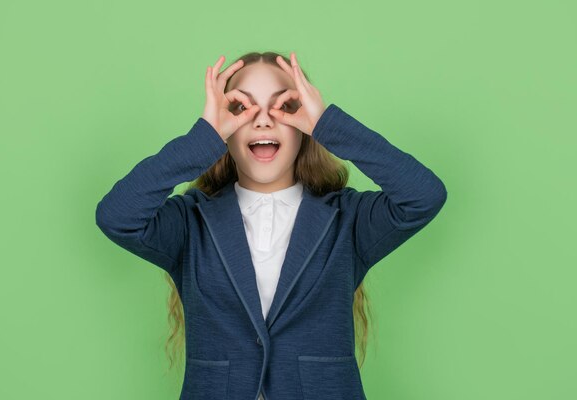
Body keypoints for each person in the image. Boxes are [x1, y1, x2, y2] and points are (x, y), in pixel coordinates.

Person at [95, 51, 447, 400]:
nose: (263, 121)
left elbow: (423, 196)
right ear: (224, 131)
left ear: (304, 126)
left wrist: (328, 125)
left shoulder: (347, 219)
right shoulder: (191, 222)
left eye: (285, 107)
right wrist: (202, 138)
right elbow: (117, 216)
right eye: (241, 108)